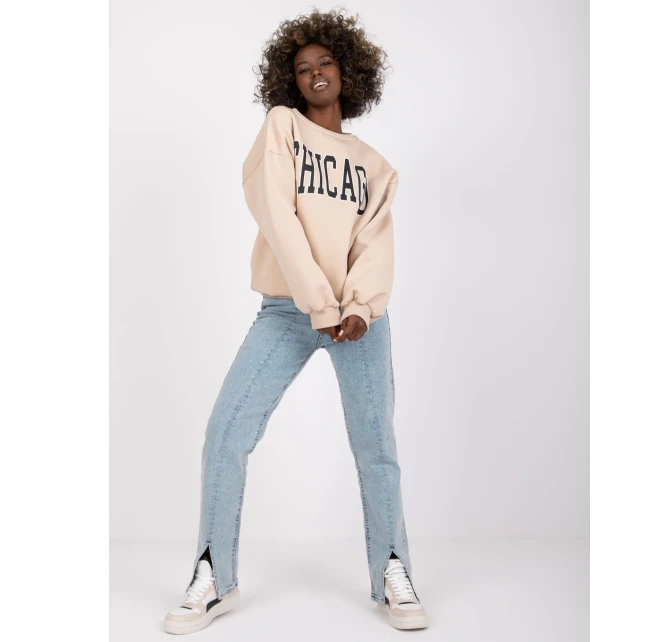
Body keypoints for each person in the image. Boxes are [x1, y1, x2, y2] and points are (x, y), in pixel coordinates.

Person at [163, 8, 428, 634]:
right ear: (290, 80)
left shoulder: (375, 165)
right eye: (303, 67)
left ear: (348, 71)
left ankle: (392, 568)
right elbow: (278, 218)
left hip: (357, 320)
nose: (315, 73)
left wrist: (357, 308)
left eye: (325, 62)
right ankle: (214, 575)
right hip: (289, 310)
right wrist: (320, 304)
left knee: (376, 445)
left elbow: (375, 245)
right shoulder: (281, 128)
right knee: (227, 431)